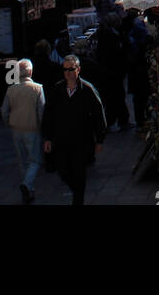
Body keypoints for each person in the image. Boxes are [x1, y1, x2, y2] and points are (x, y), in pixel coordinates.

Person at [42, 54, 107, 206]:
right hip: (62, 139)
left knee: (79, 174)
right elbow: (48, 115)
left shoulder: (87, 90)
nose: (68, 73)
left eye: (71, 69)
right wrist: (47, 138)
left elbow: (99, 115)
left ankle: (78, 200)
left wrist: (99, 139)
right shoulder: (57, 90)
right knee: (62, 170)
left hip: (81, 140)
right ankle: (77, 192)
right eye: (65, 70)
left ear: (78, 69)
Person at [1, 59, 45, 203]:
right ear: (31, 72)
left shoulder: (11, 89)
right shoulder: (38, 88)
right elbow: (41, 110)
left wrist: (9, 122)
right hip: (32, 128)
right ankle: (27, 184)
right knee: (35, 160)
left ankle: (29, 189)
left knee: (23, 161)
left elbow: (4, 110)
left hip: (16, 129)